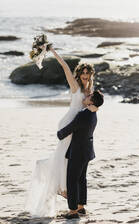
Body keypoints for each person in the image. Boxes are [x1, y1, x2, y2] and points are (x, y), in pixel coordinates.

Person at [25, 46, 96, 217]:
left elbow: (92, 107)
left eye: (88, 73)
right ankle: (61, 188)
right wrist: (53, 51)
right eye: (83, 73)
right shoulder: (75, 86)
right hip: (69, 124)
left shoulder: (90, 89)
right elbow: (65, 66)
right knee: (65, 158)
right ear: (79, 74)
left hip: (80, 126)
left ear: (91, 74)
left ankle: (74, 199)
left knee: (73, 161)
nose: (85, 76)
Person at [57, 90, 104, 219]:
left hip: (78, 151)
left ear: (92, 101)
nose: (86, 96)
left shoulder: (84, 114)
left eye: (89, 96)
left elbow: (72, 127)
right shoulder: (93, 114)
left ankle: (72, 211)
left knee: (72, 180)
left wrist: (59, 134)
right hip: (87, 151)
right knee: (81, 179)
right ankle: (80, 207)